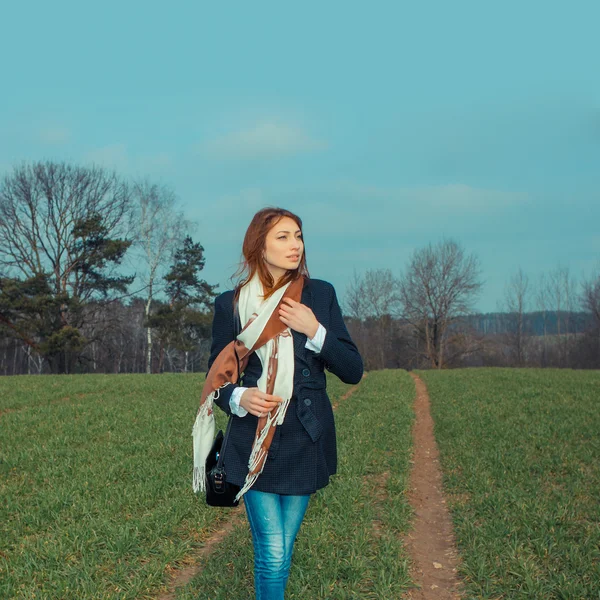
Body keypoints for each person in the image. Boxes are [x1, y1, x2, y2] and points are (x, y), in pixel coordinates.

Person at [205, 207, 363, 599]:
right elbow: (216, 380)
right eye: (283, 237)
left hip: (305, 438)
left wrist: (315, 329)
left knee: (283, 549)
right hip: (254, 439)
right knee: (273, 552)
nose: (295, 245)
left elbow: (353, 370)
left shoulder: (319, 295)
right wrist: (240, 396)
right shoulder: (231, 304)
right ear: (259, 245)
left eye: (298, 236)